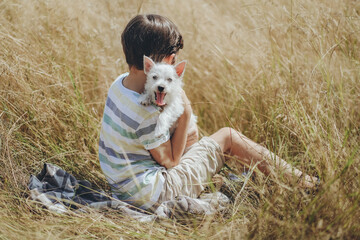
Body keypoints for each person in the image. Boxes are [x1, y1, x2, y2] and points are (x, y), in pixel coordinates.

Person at [98, 14, 318, 211]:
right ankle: (305, 184)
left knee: (191, 135)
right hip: (153, 196)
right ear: (165, 60)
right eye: (174, 58)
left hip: (124, 188)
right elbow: (172, 161)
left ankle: (213, 179)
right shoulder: (144, 112)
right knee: (228, 137)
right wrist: (185, 112)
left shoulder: (119, 85)